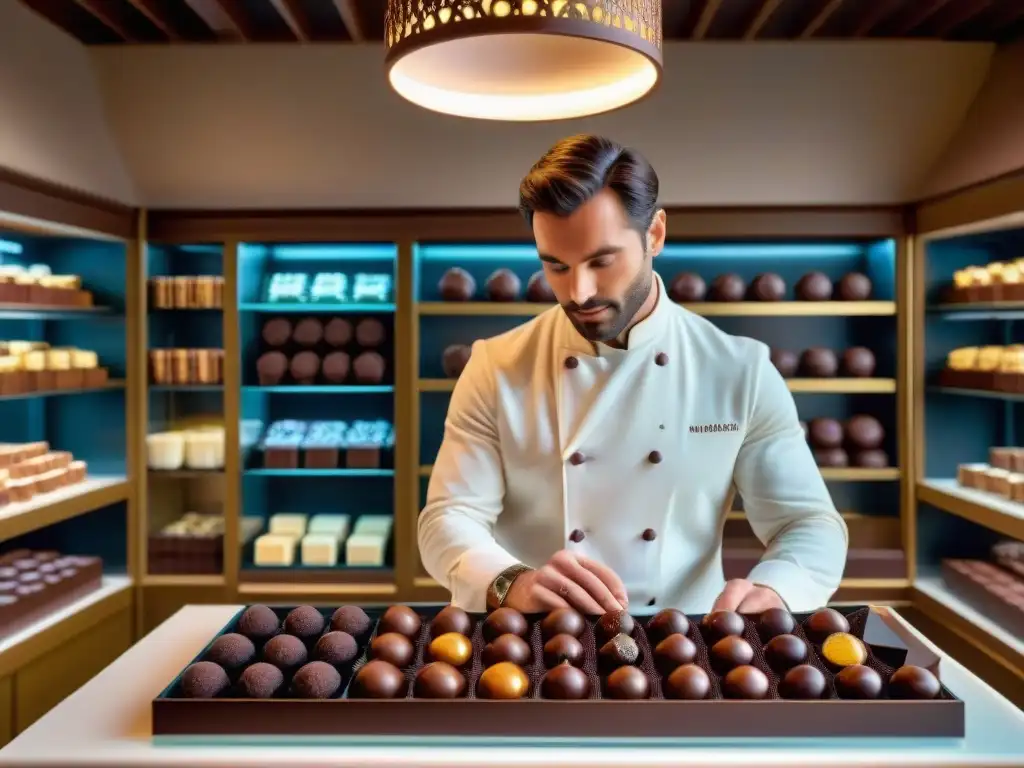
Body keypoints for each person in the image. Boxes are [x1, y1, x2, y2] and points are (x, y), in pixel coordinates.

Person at [418, 134, 848, 616]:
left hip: (686, 652)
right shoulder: (495, 366)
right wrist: (506, 582)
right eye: (555, 266)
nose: (579, 292)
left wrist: (776, 588)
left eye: (602, 261)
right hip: (532, 644)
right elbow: (448, 518)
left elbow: (808, 522)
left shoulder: (739, 371)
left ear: (655, 234)